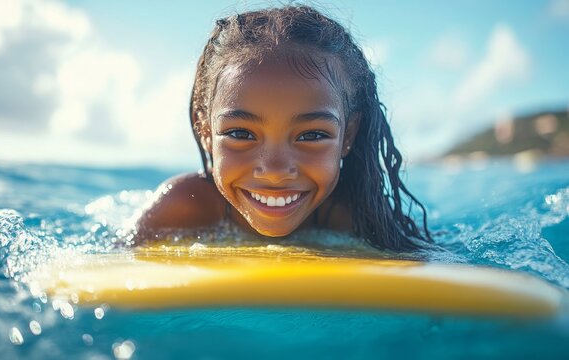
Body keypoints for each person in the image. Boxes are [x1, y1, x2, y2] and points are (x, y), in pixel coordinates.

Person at [135, 5, 432, 251]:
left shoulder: (357, 220)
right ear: (205, 132)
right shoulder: (182, 209)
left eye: (312, 135)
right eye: (241, 133)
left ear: (348, 136)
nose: (275, 170)